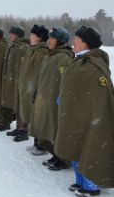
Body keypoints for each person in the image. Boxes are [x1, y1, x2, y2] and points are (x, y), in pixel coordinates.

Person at [55, 26, 114, 197]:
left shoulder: (93, 65)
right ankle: (80, 180)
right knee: (76, 145)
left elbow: (100, 96)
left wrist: (94, 114)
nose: (74, 42)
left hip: (92, 118)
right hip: (77, 115)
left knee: (91, 148)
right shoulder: (79, 61)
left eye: (78, 40)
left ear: (86, 44)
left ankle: (92, 185)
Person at [29, 27, 73, 168]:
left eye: (53, 38)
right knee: (47, 129)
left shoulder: (64, 57)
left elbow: (65, 81)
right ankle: (56, 155)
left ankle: (63, 160)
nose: (49, 41)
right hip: (45, 97)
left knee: (55, 130)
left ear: (60, 41)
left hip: (55, 100)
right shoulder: (51, 55)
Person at [15, 25, 49, 143]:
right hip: (26, 88)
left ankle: (39, 142)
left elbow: (40, 73)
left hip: (33, 89)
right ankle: (33, 139)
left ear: (40, 38)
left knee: (35, 115)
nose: (30, 37)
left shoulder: (42, 52)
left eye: (33, 35)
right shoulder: (31, 50)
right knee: (27, 112)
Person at [1, 26, 28, 135]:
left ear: (17, 35)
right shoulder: (14, 46)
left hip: (20, 80)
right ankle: (19, 127)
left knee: (21, 104)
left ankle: (24, 129)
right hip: (13, 79)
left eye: (12, 33)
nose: (10, 35)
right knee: (16, 104)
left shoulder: (23, 47)